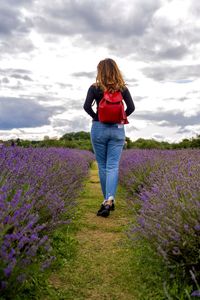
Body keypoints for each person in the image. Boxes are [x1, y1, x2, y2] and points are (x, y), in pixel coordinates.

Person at [83, 58, 135, 217]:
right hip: (117, 130)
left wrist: (96, 117)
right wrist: (120, 118)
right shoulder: (123, 88)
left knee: (103, 165)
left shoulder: (95, 87)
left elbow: (86, 106)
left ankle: (107, 200)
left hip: (99, 129)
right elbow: (131, 108)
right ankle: (109, 200)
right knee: (113, 165)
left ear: (100, 71)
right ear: (116, 70)